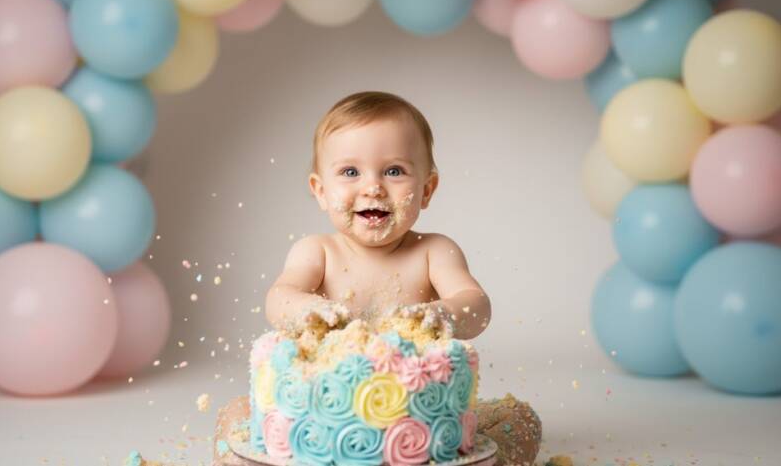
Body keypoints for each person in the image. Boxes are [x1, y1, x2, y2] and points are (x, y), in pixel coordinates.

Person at [214, 91, 542, 466]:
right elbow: (279, 297)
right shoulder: (317, 251)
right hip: (324, 417)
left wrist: (445, 313)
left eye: (394, 171)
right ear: (320, 191)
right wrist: (307, 309)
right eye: (350, 172)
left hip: (418, 419)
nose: (373, 187)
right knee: (237, 413)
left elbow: (477, 304)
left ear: (427, 190)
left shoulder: (434, 251)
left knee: (519, 418)